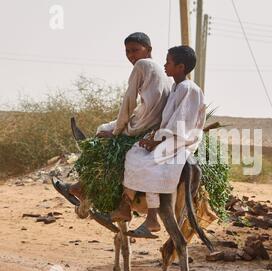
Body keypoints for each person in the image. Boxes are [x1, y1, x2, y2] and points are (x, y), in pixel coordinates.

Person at [52, 32, 172, 235]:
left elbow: (129, 101)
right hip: (153, 124)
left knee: (101, 133)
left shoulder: (142, 66)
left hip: (142, 125)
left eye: (135, 50)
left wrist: (117, 131)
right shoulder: (162, 73)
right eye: (128, 51)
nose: (132, 55)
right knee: (106, 130)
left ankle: (84, 188)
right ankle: (85, 188)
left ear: (148, 50)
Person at [106, 45, 206, 238]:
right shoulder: (177, 87)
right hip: (169, 136)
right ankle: (128, 206)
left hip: (181, 140)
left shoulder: (188, 89)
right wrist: (154, 137)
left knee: (145, 161)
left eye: (168, 62)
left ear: (181, 67)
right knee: (136, 151)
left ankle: (149, 216)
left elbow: (181, 123)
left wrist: (158, 141)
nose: (165, 65)